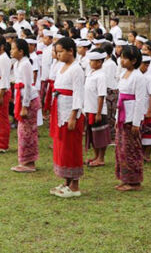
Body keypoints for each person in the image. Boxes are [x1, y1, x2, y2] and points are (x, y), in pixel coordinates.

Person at [49, 37, 85, 198]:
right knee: (61, 146)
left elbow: (78, 93)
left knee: (71, 147)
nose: (58, 55)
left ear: (71, 51)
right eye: (57, 52)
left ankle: (75, 184)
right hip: (59, 109)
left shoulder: (77, 69)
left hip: (70, 112)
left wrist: (73, 116)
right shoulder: (61, 67)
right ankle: (66, 181)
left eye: (61, 51)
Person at [115, 45, 147, 192]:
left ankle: (134, 181)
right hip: (122, 116)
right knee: (121, 149)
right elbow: (120, 98)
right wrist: (117, 118)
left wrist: (136, 122)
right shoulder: (123, 74)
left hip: (131, 117)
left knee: (131, 149)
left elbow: (140, 100)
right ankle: (125, 178)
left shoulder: (138, 76)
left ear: (133, 60)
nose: (122, 61)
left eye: (125, 58)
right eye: (121, 57)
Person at [11, 39, 40, 173]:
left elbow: (28, 86)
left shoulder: (25, 64)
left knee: (28, 131)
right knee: (22, 131)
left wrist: (24, 105)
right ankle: (24, 160)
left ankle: (30, 162)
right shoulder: (18, 63)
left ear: (21, 51)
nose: (11, 51)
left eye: (13, 49)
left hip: (28, 101)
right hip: (21, 98)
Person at [84, 50, 110, 167]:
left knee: (100, 134)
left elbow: (101, 95)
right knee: (92, 133)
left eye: (92, 61)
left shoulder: (101, 75)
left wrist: (99, 113)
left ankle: (101, 158)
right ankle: (95, 155)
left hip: (97, 110)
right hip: (89, 108)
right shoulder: (91, 73)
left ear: (99, 62)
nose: (90, 63)